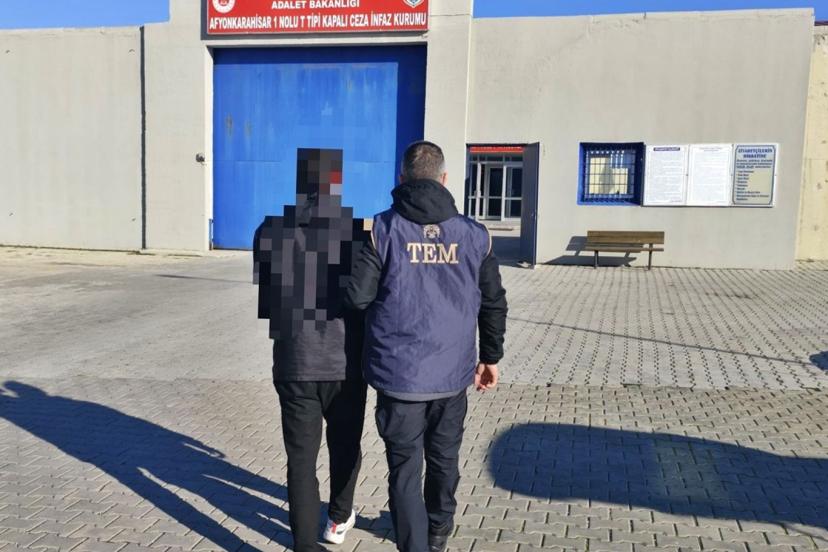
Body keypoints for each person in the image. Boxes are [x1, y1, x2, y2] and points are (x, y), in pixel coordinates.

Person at [345, 141, 508, 552]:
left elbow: (357, 298)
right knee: (444, 458)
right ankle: (437, 531)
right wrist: (490, 357)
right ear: (444, 179)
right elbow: (493, 301)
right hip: (452, 374)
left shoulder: (382, 230)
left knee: (404, 468)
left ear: (401, 178)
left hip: (398, 376)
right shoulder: (475, 235)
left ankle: (415, 543)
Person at [254, 148, 370, 552]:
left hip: (294, 361)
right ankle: (338, 518)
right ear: (336, 183)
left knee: (300, 460)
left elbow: (267, 295)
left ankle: (303, 545)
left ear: (299, 183)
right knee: (345, 445)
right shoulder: (357, 233)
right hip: (344, 363)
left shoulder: (268, 230)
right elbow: (366, 298)